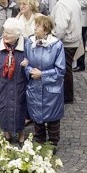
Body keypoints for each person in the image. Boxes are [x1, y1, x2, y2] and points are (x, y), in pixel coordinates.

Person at [24, 15, 66, 148]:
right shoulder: (29, 43)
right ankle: (39, 141)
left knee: (53, 118)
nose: (35, 27)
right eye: (35, 25)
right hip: (34, 87)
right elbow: (25, 63)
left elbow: (60, 70)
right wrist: (30, 72)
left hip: (51, 89)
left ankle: (53, 144)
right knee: (37, 117)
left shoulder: (57, 46)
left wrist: (42, 75)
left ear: (46, 30)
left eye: (38, 26)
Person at [0, 18, 29, 145]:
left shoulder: (26, 45)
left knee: (20, 107)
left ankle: (21, 133)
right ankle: (6, 132)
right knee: (3, 107)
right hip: (3, 83)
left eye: (8, 33)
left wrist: (28, 63)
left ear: (17, 35)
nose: (5, 35)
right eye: (4, 31)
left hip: (19, 83)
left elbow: (32, 59)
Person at [51, 0, 82, 103]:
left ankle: (67, 96)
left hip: (67, 41)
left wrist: (54, 38)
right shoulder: (74, 0)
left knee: (65, 69)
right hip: (74, 40)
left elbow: (61, 27)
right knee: (67, 68)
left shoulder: (62, 4)